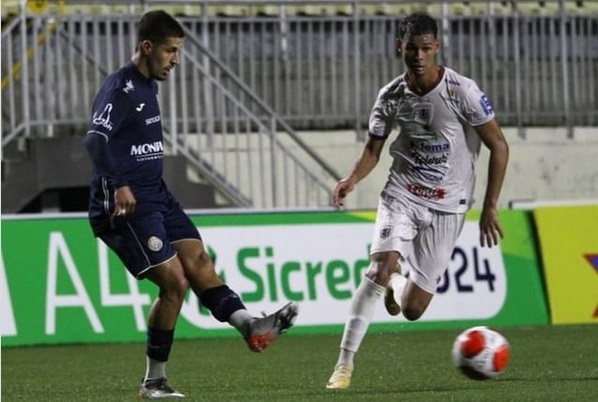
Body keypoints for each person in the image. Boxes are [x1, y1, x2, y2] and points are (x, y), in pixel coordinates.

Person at [83, 10, 298, 400]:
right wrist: (119, 185)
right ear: (147, 47)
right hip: (125, 205)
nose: (175, 60)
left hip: (157, 195)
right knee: (175, 283)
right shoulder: (121, 89)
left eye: (178, 51)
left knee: (199, 261)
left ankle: (249, 325)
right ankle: (153, 382)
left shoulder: (150, 85)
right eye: (170, 51)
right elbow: (95, 140)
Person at [325, 13, 509, 390]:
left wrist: (490, 206)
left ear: (437, 47)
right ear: (400, 47)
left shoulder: (462, 92)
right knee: (378, 269)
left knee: (412, 309)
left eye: (426, 49)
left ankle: (397, 283)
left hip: (449, 204)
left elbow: (499, 145)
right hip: (403, 193)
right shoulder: (390, 96)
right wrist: (352, 178)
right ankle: (343, 366)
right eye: (412, 49)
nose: (419, 56)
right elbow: (373, 149)